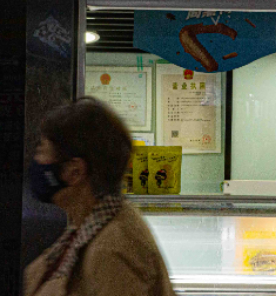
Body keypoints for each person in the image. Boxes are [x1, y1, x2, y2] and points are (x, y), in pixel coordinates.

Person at [24, 97, 175, 296]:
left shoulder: (113, 249)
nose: (36, 161)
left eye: (43, 151)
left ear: (75, 171)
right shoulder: (85, 228)